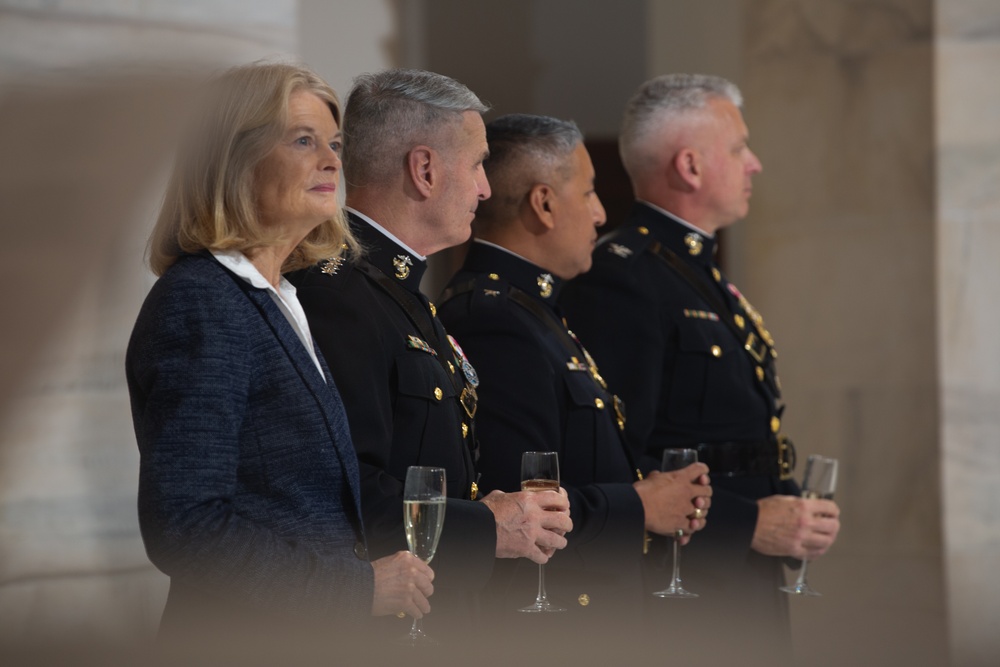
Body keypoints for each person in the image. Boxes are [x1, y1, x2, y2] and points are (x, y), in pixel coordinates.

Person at [125, 62, 433, 655]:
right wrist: (357, 588)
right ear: (231, 159)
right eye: (302, 140)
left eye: (335, 144)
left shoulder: (276, 297)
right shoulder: (203, 300)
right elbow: (185, 528)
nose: (332, 161)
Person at [560, 74, 841, 663]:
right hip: (687, 583)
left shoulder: (703, 277)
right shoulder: (624, 278)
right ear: (689, 166)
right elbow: (613, 458)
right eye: (739, 149)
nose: (755, 164)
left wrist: (787, 510)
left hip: (747, 573)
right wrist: (746, 524)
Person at [288, 70, 572, 641]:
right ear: (425, 170)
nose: (486, 189)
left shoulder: (400, 295)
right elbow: (349, 489)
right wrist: (485, 527)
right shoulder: (336, 296)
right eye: (477, 164)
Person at [435, 114, 713, 647]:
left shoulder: (536, 312)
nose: (601, 213)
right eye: (587, 193)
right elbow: (518, 501)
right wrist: (641, 505)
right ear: (542, 204)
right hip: (551, 623)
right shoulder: (492, 318)